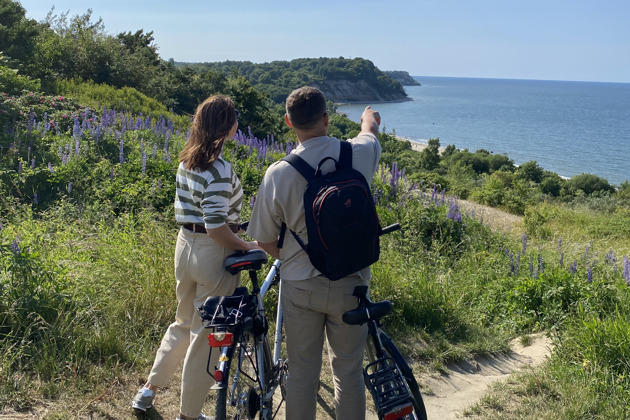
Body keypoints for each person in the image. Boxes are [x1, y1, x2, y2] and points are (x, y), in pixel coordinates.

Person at [247, 86, 382, 420]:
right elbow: (370, 133)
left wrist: (294, 256)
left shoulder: (278, 173)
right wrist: (369, 120)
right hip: (352, 283)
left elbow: (264, 240)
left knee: (303, 374)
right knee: (348, 372)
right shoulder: (358, 154)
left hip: (300, 286)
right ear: (326, 118)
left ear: (288, 121)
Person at [131, 95, 261, 420]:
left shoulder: (185, 160)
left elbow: (203, 216)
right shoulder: (219, 169)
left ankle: (148, 391)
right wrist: (247, 246)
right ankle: (188, 415)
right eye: (234, 119)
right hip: (212, 253)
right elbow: (216, 226)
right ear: (227, 126)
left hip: (184, 245)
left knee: (182, 322)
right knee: (207, 336)